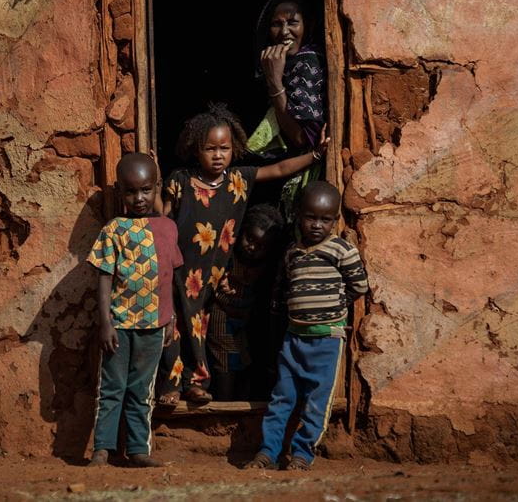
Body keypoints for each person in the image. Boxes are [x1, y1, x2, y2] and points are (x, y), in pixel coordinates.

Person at [156, 103, 328, 407]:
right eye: (210, 148)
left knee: (200, 329)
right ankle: (170, 387)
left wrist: (315, 156)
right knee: (173, 328)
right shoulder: (181, 182)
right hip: (180, 271)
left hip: (211, 277)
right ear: (196, 150)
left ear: (234, 147)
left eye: (224, 148)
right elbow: (163, 222)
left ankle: (196, 384)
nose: (218, 155)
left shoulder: (237, 181)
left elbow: (278, 169)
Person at [243, 181, 368, 471]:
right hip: (293, 339)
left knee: (316, 403)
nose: (316, 225)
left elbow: (358, 286)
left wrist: (333, 306)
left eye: (325, 220)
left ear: (335, 220)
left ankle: (302, 454)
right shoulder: (293, 253)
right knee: (281, 398)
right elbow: (287, 289)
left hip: (326, 340)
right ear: (299, 215)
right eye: (311, 217)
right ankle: (268, 452)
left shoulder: (341, 251)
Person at [86, 153, 183, 468]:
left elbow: (169, 277)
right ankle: (103, 448)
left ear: (157, 187)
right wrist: (105, 323)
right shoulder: (113, 229)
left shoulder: (168, 228)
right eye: (130, 192)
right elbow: (104, 278)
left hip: (154, 325)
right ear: (119, 192)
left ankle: (139, 449)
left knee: (141, 390)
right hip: (120, 324)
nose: (138, 198)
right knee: (112, 387)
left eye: (145, 190)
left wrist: (170, 319)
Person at [248, 0, 327, 218]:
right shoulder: (288, 65)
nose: (284, 32)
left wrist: (274, 82)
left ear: (309, 26)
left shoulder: (307, 63)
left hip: (310, 178)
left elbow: (303, 138)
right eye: (276, 24)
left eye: (293, 22)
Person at [207, 204, 284, 401]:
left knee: (245, 361)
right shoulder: (226, 257)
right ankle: (224, 406)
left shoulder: (266, 267)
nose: (253, 248)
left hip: (245, 320)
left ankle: (239, 404)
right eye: (250, 239)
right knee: (226, 359)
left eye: (261, 246)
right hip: (221, 316)